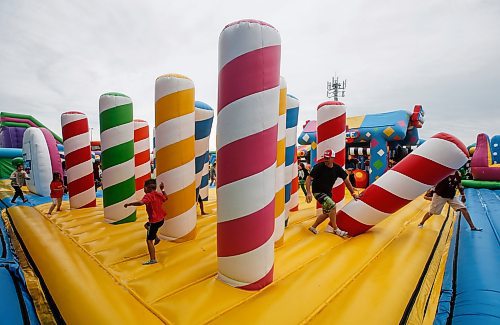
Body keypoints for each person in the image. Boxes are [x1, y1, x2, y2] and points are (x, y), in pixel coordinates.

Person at [306, 149, 359, 237]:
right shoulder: (319, 167)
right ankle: (336, 229)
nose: (325, 160)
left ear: (333, 158)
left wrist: (353, 193)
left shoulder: (337, 168)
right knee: (333, 206)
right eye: (325, 158)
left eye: (328, 158)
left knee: (327, 213)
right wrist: (308, 192)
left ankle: (313, 227)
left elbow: (346, 181)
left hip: (327, 193)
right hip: (318, 192)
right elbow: (308, 178)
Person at [124, 179, 168, 265]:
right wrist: (162, 190)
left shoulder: (148, 195)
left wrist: (129, 204)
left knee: (149, 241)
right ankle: (156, 238)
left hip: (154, 222)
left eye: (144, 187)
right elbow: (166, 198)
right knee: (146, 226)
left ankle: (153, 259)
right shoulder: (158, 194)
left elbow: (141, 203)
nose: (143, 189)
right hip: (161, 220)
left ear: (147, 188)